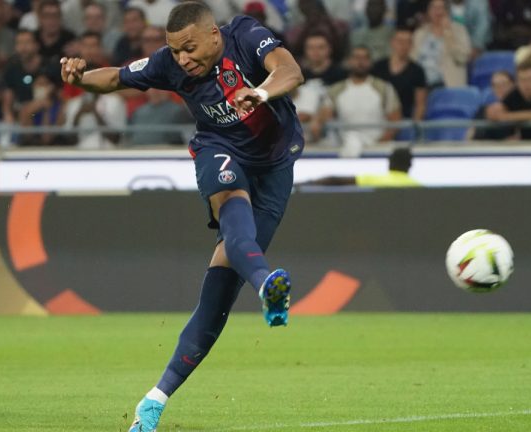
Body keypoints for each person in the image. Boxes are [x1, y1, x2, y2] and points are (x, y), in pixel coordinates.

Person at [60, 3, 303, 431]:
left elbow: (290, 71)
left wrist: (261, 92)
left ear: (213, 35)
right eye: (175, 51)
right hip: (218, 149)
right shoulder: (169, 65)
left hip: (276, 165)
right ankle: (268, 285)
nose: (182, 60)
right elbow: (116, 77)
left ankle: (153, 401)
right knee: (232, 216)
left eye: (189, 48)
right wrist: (81, 77)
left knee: (220, 292)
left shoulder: (245, 36)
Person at [316, 46, 402, 157]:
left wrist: (376, 146)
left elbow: (395, 123)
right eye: (356, 58)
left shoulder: (384, 88)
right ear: (349, 61)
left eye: (365, 58)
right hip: (345, 146)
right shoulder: (335, 90)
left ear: (370, 62)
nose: (360, 62)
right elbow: (323, 118)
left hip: (377, 148)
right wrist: (320, 119)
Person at [372, 28, 428, 121]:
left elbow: (420, 105)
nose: (403, 45)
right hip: (378, 118)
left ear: (411, 45)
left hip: (404, 120)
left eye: (407, 42)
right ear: (392, 42)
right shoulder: (378, 67)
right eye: (400, 41)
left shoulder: (417, 71)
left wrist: (415, 128)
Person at [412, 0, 471, 87]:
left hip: (447, 85)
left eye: (441, 8)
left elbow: (462, 58)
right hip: (420, 86)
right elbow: (412, 61)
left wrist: (448, 33)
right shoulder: (420, 33)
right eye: (434, 8)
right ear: (428, 11)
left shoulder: (459, 30)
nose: (437, 11)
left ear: (447, 11)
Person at [301, 147, 422, 187]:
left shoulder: (375, 180)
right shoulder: (418, 187)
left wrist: (304, 185)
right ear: (410, 165)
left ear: (390, 163)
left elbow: (334, 180)